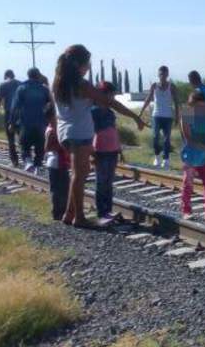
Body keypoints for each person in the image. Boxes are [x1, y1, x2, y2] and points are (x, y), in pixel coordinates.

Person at [52, 44, 144, 228]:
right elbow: (109, 102)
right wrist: (135, 117)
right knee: (79, 175)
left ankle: (69, 214)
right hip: (79, 133)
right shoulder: (81, 84)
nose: (88, 67)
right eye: (87, 63)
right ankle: (79, 217)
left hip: (65, 131)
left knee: (78, 173)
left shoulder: (58, 82)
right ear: (79, 64)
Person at [179, 91, 205, 221]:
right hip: (190, 156)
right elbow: (188, 138)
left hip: (204, 158)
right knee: (188, 184)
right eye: (198, 106)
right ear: (192, 104)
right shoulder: (187, 114)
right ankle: (186, 211)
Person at [91, 81, 121, 223]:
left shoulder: (110, 113)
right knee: (101, 182)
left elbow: (114, 130)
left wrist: (119, 148)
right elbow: (90, 132)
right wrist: (91, 153)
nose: (113, 98)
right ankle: (102, 211)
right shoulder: (93, 112)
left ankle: (108, 210)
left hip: (112, 150)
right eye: (111, 95)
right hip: (100, 151)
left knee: (109, 182)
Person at [9, 68, 51, 172]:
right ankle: (37, 166)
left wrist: (12, 123)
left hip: (25, 123)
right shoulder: (44, 89)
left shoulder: (21, 88)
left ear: (28, 75)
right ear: (38, 76)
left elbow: (15, 108)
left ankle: (28, 162)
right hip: (41, 124)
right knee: (40, 147)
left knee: (24, 145)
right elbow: (51, 105)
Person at [138, 66, 179, 169]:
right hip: (156, 115)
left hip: (168, 116)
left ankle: (166, 159)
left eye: (164, 74)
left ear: (167, 74)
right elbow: (148, 99)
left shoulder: (172, 86)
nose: (162, 76)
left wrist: (177, 116)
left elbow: (176, 102)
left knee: (166, 138)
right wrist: (141, 112)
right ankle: (157, 157)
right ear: (158, 75)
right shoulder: (154, 86)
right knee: (155, 136)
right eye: (161, 74)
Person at [43, 117, 69, 222]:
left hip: (60, 163)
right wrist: (61, 146)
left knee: (63, 189)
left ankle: (61, 211)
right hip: (56, 163)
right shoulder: (52, 131)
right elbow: (47, 148)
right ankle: (57, 213)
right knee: (58, 190)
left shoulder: (54, 129)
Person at [0, 70, 23, 167]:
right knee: (21, 137)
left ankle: (14, 161)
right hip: (20, 114)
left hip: (9, 114)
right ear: (13, 75)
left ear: (5, 76)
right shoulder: (21, 84)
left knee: (11, 138)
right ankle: (26, 158)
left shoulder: (3, 85)